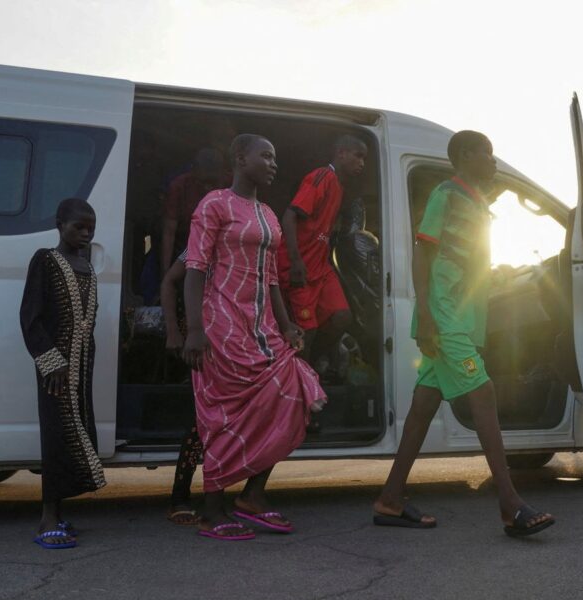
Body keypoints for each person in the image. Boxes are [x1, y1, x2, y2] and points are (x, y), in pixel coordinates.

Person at [371, 130, 555, 537]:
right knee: (483, 394)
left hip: (461, 320)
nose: (493, 160)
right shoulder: (447, 195)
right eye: (487, 154)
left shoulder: (477, 203)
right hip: (445, 317)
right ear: (467, 156)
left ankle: (390, 498)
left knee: (423, 407)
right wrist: (428, 314)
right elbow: (423, 253)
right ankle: (510, 505)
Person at [182, 133, 327, 541]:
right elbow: (194, 269)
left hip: (262, 328)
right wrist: (194, 329)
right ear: (240, 159)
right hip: (222, 326)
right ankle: (211, 511)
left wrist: (286, 325)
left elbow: (272, 280)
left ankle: (253, 496)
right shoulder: (214, 204)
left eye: (275, 157)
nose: (273, 163)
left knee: (296, 396)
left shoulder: (269, 215)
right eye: (266, 155)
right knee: (222, 416)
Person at [20, 198, 107, 549]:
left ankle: (59, 511)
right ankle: (47, 518)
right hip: (55, 368)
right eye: (78, 226)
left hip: (80, 366)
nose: (85, 232)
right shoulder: (46, 260)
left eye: (91, 227)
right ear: (60, 224)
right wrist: (49, 361)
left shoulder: (85, 264)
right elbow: (30, 317)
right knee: (56, 438)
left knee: (77, 434)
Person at [277, 135, 367, 378]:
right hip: (300, 267)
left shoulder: (339, 186)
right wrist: (295, 262)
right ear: (341, 154)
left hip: (321, 266)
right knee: (307, 331)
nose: (362, 163)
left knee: (342, 317)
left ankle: (314, 362)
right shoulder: (321, 177)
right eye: (358, 156)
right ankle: (302, 385)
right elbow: (289, 216)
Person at [158, 251, 203, 525]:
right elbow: (169, 282)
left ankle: (219, 498)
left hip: (235, 339)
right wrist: (173, 329)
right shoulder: (200, 243)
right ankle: (180, 497)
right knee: (199, 421)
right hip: (201, 342)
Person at [160, 148, 228, 273]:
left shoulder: (231, 184)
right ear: (194, 172)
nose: (207, 188)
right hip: (185, 242)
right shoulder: (179, 186)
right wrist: (166, 275)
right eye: (203, 182)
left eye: (212, 182)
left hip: (223, 247)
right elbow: (169, 233)